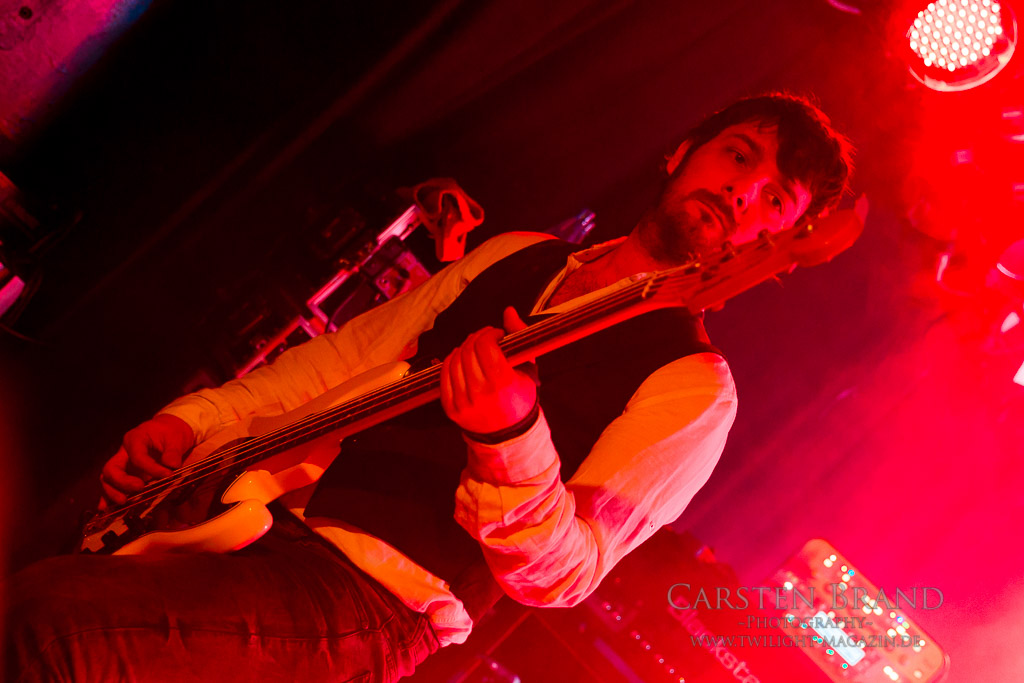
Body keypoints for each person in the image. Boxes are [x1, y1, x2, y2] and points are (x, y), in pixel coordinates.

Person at [5, 92, 853, 682]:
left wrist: (509, 439)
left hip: (369, 598)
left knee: (49, 627)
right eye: (738, 155)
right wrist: (193, 422)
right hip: (257, 504)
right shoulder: (519, 253)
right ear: (681, 152)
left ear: (770, 246)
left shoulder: (696, 387)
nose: (741, 190)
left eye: (774, 198)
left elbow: (567, 574)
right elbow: (339, 360)